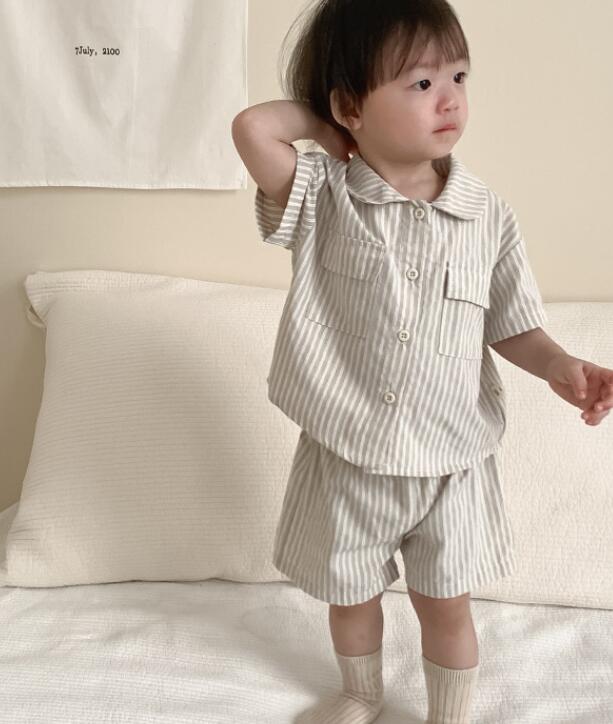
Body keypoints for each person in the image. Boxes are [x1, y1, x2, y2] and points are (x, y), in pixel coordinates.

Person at [231, 1, 613, 722]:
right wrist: (329, 130)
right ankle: (359, 692)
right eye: (421, 83)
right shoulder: (322, 197)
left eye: (459, 77)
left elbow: (511, 324)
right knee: (351, 598)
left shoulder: (487, 216)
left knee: (446, 603)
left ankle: (449, 714)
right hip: (349, 454)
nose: (450, 99)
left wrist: (561, 366)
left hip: (450, 462)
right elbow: (254, 128)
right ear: (351, 105)